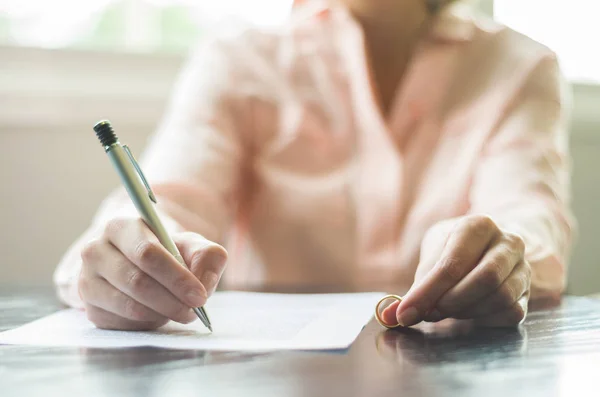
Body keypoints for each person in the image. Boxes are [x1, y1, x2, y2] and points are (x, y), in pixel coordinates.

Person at [54, 0, 575, 331]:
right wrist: (128, 257)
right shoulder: (238, 58)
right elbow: (167, 200)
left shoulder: (521, 67)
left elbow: (529, 219)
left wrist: (502, 252)